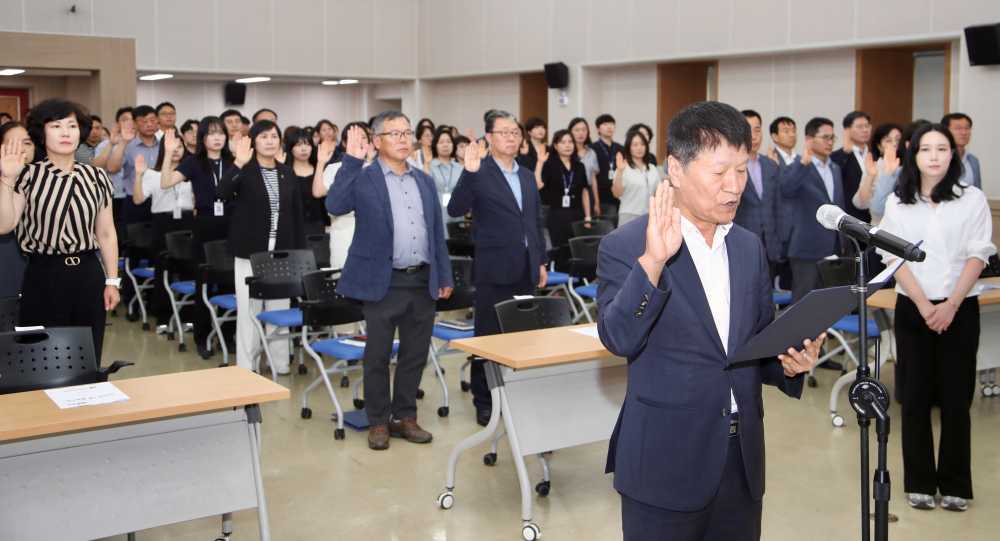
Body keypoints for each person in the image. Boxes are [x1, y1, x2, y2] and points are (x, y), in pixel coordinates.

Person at [597, 101, 824, 541]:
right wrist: (653, 264)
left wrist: (789, 362)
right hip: (665, 461)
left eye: (741, 171)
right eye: (719, 173)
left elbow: (754, 342)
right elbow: (617, 337)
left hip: (741, 459)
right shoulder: (627, 246)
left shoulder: (746, 246)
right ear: (676, 170)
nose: (733, 187)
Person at [878, 123, 995, 513]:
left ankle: (957, 484)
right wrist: (926, 306)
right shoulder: (898, 201)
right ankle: (919, 483)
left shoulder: (971, 198)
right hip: (914, 308)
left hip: (959, 308)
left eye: (941, 149)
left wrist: (950, 305)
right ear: (913, 155)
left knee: (956, 399)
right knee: (913, 398)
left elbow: (979, 254)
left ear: (952, 154)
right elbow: (892, 256)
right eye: (925, 149)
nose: (933, 156)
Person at [327, 113, 453, 450]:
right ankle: (379, 420)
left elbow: (437, 233)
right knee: (378, 355)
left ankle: (405, 417)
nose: (402, 139)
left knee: (414, 354)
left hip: (422, 279)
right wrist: (351, 160)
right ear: (377, 140)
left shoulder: (424, 180)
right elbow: (335, 204)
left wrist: (444, 274)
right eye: (393, 133)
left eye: (406, 133)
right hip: (382, 281)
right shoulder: (364, 177)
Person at [0, 99, 120, 360]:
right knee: (40, 357)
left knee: (87, 355)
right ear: (42, 134)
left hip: (88, 274)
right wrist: (7, 180)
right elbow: (5, 225)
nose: (66, 132)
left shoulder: (97, 177)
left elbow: (107, 233)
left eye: (72, 126)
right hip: (44, 274)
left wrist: (112, 280)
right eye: (56, 126)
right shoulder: (27, 175)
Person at [448, 110, 548, 426]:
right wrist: (469, 172)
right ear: (488, 138)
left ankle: (517, 394)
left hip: (526, 268)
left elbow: (535, 221)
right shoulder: (480, 171)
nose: (511, 137)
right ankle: (485, 400)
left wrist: (541, 260)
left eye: (515, 132)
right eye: (503, 132)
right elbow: (455, 209)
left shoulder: (526, 174)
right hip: (494, 270)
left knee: (522, 339)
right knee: (488, 339)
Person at [218, 120, 305, 375]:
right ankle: (247, 366)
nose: (270, 140)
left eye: (274, 136)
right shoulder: (244, 170)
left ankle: (279, 364)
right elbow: (221, 194)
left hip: (281, 253)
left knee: (279, 308)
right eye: (264, 136)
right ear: (253, 142)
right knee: (249, 311)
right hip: (250, 253)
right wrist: (238, 163)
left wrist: (299, 254)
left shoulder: (286, 172)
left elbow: (296, 216)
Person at [132, 130, 196, 335]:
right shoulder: (153, 173)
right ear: (164, 149)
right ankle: (163, 317)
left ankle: (187, 318)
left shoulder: (191, 171)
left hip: (187, 223)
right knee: (163, 272)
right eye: (172, 146)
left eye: (179, 146)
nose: (176, 150)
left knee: (187, 271)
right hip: (163, 223)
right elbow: (138, 200)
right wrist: (139, 176)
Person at [779, 117, 845, 303]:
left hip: (834, 248)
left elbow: (839, 206)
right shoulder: (797, 167)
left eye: (832, 137)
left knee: (829, 304)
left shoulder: (835, 169)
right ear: (809, 139)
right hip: (806, 250)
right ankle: (796, 334)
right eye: (825, 137)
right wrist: (802, 165)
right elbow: (786, 189)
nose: (830, 142)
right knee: (803, 304)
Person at [313, 121, 374, 269]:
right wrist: (321, 163)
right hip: (343, 232)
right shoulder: (335, 168)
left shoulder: (376, 169)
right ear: (345, 143)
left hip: (370, 234)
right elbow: (318, 192)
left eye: (363, 138)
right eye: (354, 138)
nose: (359, 141)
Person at [734, 110, 782, 276]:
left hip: (770, 246)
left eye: (757, 130)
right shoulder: (730, 167)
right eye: (748, 130)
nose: (753, 136)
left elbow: (777, 206)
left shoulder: (771, 165)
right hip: (741, 243)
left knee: (767, 297)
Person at [536, 128, 592, 248]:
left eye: (570, 142)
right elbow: (538, 185)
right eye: (563, 142)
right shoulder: (549, 164)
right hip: (556, 214)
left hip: (577, 214)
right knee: (560, 251)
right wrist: (540, 163)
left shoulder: (579, 166)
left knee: (577, 250)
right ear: (555, 146)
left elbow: (584, 192)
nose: (568, 145)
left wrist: (588, 216)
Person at [107, 104, 159, 225]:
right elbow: (112, 169)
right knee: (134, 241)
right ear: (135, 124)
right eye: (144, 121)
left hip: (160, 200)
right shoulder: (127, 146)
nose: (149, 124)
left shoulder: (165, 145)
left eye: (152, 120)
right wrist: (123, 143)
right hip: (134, 202)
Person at [0, 122, 33, 297]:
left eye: (27, 143)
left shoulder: (47, 180)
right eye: (12, 143)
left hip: (40, 270)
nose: (21, 149)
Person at [93, 106, 133, 246]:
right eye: (124, 119)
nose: (129, 123)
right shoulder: (106, 144)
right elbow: (97, 166)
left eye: (132, 119)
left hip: (132, 196)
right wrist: (111, 143)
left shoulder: (138, 143)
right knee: (114, 234)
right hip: (112, 196)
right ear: (117, 124)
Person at [852, 123, 902, 224]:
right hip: (881, 227)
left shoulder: (910, 168)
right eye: (888, 140)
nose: (894, 144)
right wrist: (870, 176)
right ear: (879, 146)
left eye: (898, 139)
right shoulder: (875, 167)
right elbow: (860, 204)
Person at [284, 126, 328, 236]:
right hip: (292, 227)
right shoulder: (285, 172)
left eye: (307, 144)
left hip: (318, 227)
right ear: (290, 148)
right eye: (298, 145)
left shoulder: (320, 169)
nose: (304, 149)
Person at [830, 111, 872, 223]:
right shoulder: (836, 157)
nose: (865, 130)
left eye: (867, 126)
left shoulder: (876, 156)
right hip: (850, 218)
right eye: (859, 127)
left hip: (874, 218)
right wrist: (845, 152)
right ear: (847, 131)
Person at [612, 130, 660, 226]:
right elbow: (616, 194)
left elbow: (658, 193)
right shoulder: (623, 167)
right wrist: (620, 171)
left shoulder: (652, 168)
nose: (639, 148)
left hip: (649, 215)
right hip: (628, 215)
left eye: (642, 144)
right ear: (629, 147)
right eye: (635, 145)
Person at [428, 128, 463, 234]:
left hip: (457, 217)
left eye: (448, 142)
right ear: (435, 145)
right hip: (437, 215)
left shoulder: (460, 168)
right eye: (441, 142)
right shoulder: (429, 167)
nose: (445, 145)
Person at [592, 113, 625, 216]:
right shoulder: (592, 148)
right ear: (598, 129)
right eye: (605, 124)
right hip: (600, 196)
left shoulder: (620, 148)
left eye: (611, 124)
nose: (609, 127)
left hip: (619, 196)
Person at [569, 117, 601, 216]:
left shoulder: (591, 153)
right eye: (577, 130)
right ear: (570, 132)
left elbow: (593, 178)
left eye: (584, 130)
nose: (581, 133)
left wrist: (597, 202)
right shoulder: (567, 152)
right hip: (571, 192)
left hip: (588, 192)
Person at [941, 112, 981, 189]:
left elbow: (978, 191)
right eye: (958, 128)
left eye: (967, 128)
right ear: (945, 131)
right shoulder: (939, 159)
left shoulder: (973, 160)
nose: (964, 132)